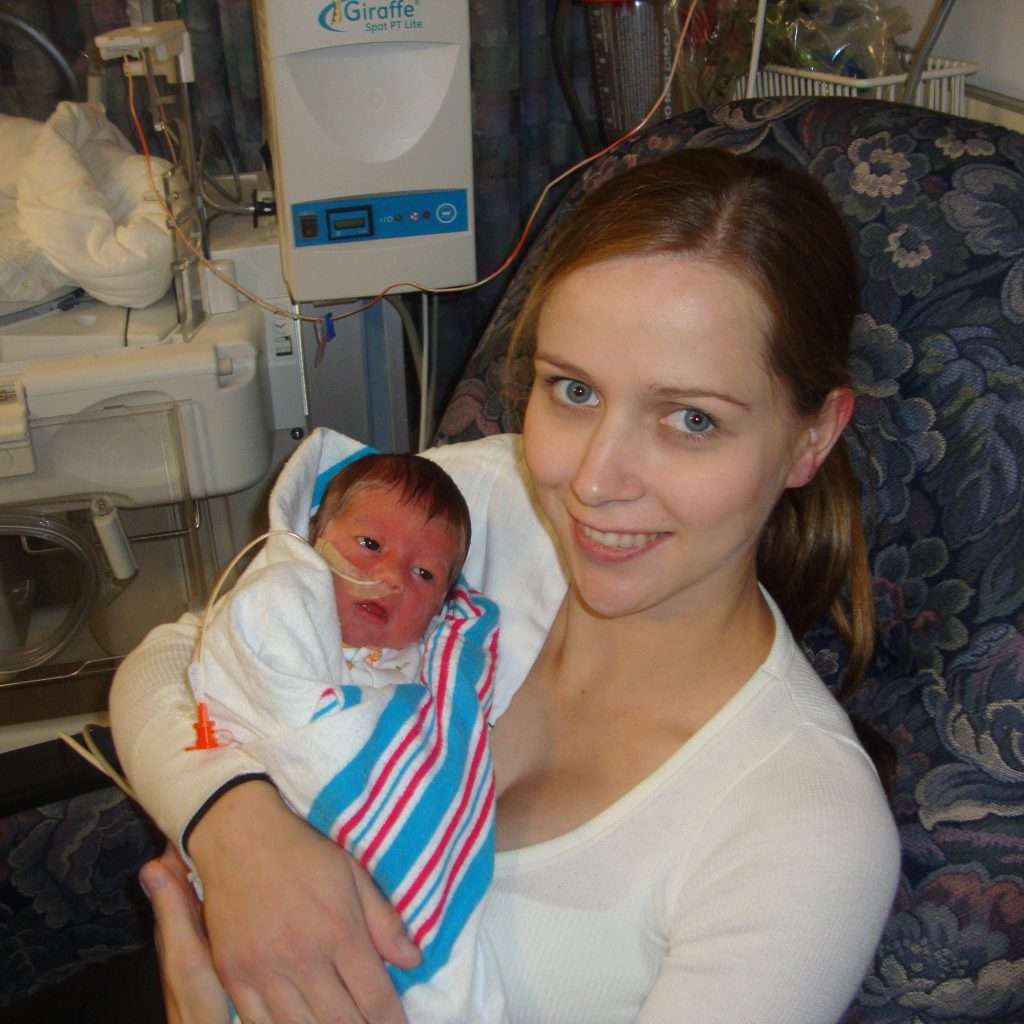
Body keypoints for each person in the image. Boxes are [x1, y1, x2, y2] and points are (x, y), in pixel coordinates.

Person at [111, 147, 902, 1024]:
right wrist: (233, 827)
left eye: (690, 420)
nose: (595, 481)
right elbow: (170, 664)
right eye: (573, 390)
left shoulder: (803, 829)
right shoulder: (486, 513)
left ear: (811, 437)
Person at [182, 444, 504, 1022]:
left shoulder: (422, 672)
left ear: (443, 606)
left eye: (424, 573)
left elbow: (444, 759)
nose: (389, 577)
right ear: (313, 540)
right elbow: (251, 695)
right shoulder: (277, 615)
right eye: (370, 545)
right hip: (265, 881)